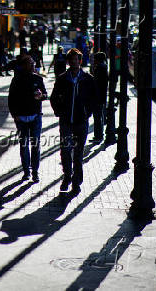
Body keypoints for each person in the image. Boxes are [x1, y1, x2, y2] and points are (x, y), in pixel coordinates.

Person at [50, 48, 97, 194]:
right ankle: (67, 177)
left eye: (76, 60)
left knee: (78, 154)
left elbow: (94, 99)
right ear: (68, 62)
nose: (73, 62)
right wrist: (59, 112)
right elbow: (53, 97)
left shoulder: (88, 79)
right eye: (71, 60)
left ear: (80, 61)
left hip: (81, 122)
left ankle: (76, 182)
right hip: (66, 122)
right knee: (65, 151)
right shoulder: (63, 78)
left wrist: (87, 113)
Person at [8, 56, 48, 182]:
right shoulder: (16, 80)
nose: (33, 66)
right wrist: (15, 115)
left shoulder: (38, 78)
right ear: (24, 66)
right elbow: (11, 99)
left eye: (33, 63)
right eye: (30, 64)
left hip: (35, 116)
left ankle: (35, 172)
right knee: (24, 145)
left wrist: (41, 96)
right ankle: (26, 172)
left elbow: (45, 95)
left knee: (35, 145)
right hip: (21, 118)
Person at [91, 52, 109, 143]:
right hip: (101, 95)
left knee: (97, 117)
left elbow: (97, 82)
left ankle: (98, 136)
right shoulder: (104, 67)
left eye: (95, 58)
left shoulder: (100, 68)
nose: (94, 60)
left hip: (98, 96)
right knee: (99, 116)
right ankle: (98, 135)